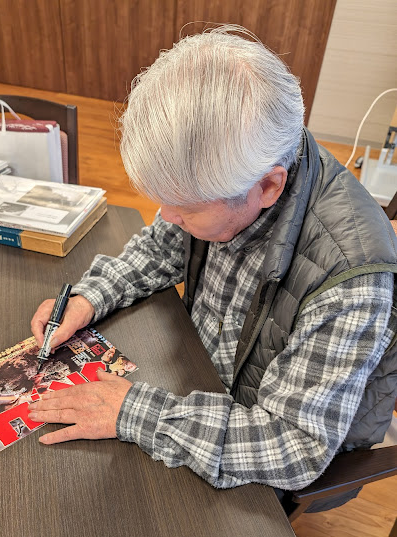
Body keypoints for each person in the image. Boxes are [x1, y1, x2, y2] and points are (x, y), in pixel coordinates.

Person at [29, 25, 396, 499]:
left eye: (186, 207)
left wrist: (132, 412)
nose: (167, 217)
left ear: (268, 186)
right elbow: (161, 247)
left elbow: (294, 447)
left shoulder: (351, 280)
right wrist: (87, 298)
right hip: (193, 381)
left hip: (248, 456)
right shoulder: (234, 166)